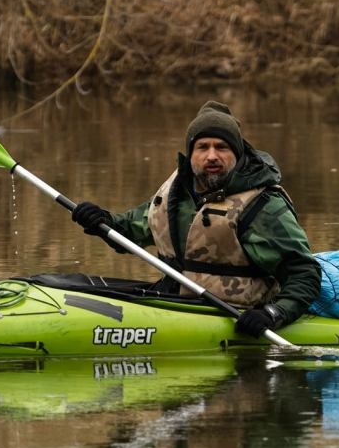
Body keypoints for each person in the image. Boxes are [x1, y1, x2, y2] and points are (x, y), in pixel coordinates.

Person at [71, 101, 320, 336]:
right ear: (191, 154)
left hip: (237, 314)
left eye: (221, 147)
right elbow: (132, 229)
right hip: (176, 302)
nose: (211, 156)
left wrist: (272, 314)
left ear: (238, 153)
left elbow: (304, 273)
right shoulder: (177, 193)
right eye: (203, 147)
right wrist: (102, 222)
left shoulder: (263, 205)